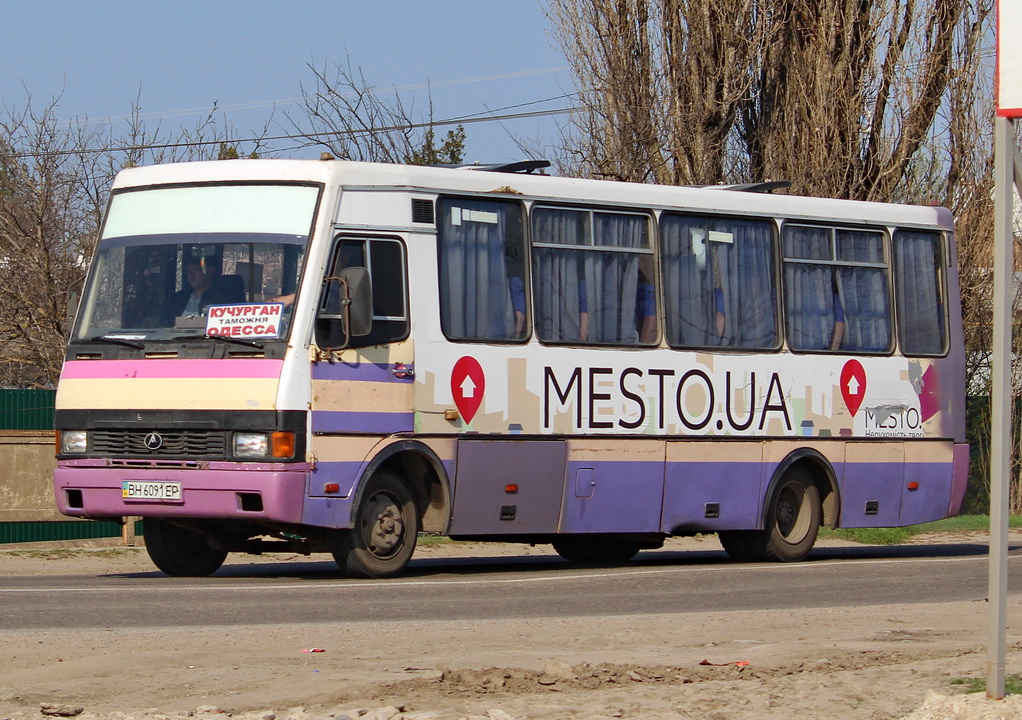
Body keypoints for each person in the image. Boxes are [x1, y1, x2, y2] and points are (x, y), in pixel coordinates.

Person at [170, 258, 244, 318]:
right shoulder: (177, 299)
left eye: (195, 270)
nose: (191, 274)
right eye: (188, 271)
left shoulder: (222, 300)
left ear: (209, 271)